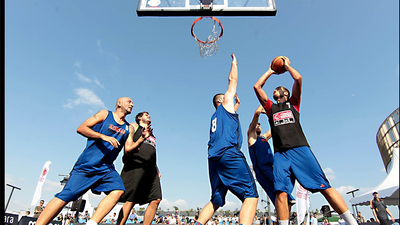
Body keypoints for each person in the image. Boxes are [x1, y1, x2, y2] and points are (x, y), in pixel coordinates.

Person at [253, 56, 358, 225]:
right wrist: (271, 71)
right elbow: (257, 86)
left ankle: (352, 222)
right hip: (280, 154)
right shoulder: (270, 108)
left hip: (300, 149)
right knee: (280, 193)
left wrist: (286, 66)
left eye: (277, 89)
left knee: (325, 187)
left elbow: (298, 78)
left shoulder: (294, 103)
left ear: (285, 93)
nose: (274, 91)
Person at [35, 97, 143, 225]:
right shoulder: (105, 114)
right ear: (119, 104)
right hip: (88, 164)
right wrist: (102, 136)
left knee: (118, 190)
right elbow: (81, 128)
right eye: (129, 102)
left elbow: (128, 149)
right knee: (65, 197)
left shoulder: (127, 127)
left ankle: (91, 223)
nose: (132, 104)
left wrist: (142, 139)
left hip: (106, 168)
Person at [195, 53, 258, 225]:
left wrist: (236, 106)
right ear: (222, 100)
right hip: (229, 154)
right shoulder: (225, 104)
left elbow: (231, 119)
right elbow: (232, 80)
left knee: (216, 200)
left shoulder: (215, 116)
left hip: (213, 159)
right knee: (251, 196)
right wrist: (235, 62)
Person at [116, 111, 162, 225]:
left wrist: (157, 169)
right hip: (135, 166)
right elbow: (127, 148)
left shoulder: (152, 134)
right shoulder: (134, 126)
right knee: (131, 200)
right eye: (146, 115)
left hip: (150, 169)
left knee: (156, 199)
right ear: (139, 118)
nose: (149, 116)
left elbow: (151, 153)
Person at [247, 105, 296, 208]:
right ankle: (288, 199)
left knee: (277, 197)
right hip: (262, 169)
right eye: (256, 125)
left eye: (260, 125)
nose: (258, 125)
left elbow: (275, 126)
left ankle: (283, 213)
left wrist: (273, 114)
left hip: (270, 167)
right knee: (278, 186)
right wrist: (263, 104)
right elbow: (256, 115)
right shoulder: (252, 137)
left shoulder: (264, 138)